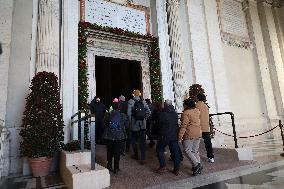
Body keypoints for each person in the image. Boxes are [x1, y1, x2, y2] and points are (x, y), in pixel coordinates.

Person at [155, 100, 181, 176]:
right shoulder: (175, 114)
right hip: (174, 135)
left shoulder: (162, 114)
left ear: (165, 105)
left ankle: (163, 166)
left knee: (159, 149)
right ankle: (176, 169)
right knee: (175, 152)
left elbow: (158, 125)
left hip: (164, 136)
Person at [102, 99, 128, 174]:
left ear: (112, 108)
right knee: (117, 152)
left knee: (109, 151)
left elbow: (103, 124)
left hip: (109, 136)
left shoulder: (108, 114)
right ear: (119, 108)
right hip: (119, 137)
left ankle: (109, 165)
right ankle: (116, 168)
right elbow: (126, 125)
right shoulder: (123, 115)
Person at [179, 98, 202, 176]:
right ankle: (198, 165)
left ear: (186, 105)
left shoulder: (186, 113)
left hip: (190, 134)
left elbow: (183, 126)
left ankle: (196, 165)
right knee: (195, 150)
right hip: (198, 133)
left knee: (187, 150)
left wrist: (180, 136)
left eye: (184, 104)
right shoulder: (197, 111)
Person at [127, 89, 151, 164]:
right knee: (142, 142)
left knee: (133, 140)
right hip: (143, 125)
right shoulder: (143, 102)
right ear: (139, 94)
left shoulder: (130, 102)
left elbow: (128, 113)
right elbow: (149, 112)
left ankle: (136, 155)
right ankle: (143, 158)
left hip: (134, 125)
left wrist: (131, 121)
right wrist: (144, 118)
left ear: (133, 94)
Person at [196, 94, 214, 163]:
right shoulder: (206, 105)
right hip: (206, 126)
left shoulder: (196, 105)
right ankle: (211, 157)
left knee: (195, 143)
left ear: (197, 98)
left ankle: (196, 159)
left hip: (198, 127)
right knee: (208, 143)